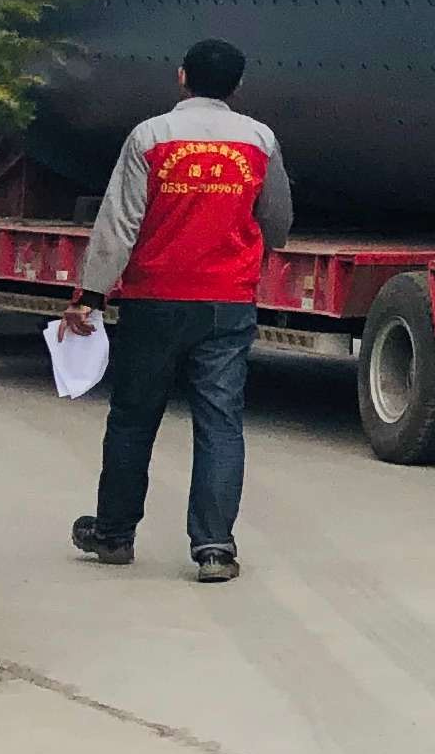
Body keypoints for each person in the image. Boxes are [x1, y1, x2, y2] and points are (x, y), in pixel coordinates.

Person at [63, 38, 291, 583]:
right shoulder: (259, 140)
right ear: (238, 86)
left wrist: (90, 296)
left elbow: (119, 223)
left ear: (181, 76)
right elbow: (278, 220)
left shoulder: (150, 136)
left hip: (154, 299)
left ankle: (114, 534)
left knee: (133, 416)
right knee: (220, 423)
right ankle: (214, 549)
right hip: (227, 303)